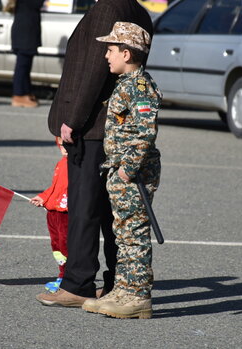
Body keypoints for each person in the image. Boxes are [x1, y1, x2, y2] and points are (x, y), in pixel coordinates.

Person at [38, 0, 153, 308]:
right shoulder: (130, 5)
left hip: (93, 127)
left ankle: (78, 284)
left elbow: (93, 71)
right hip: (104, 126)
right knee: (106, 211)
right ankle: (118, 284)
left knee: (86, 207)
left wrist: (72, 120)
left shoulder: (112, 9)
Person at [80, 21, 160, 319]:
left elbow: (144, 130)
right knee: (123, 232)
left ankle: (138, 296)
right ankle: (124, 289)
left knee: (135, 233)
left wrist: (128, 167)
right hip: (120, 170)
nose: (106, 55)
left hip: (134, 173)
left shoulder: (141, 87)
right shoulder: (125, 84)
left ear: (127, 54)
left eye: (111, 49)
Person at [29, 137, 69, 293]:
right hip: (53, 212)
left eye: (67, 145)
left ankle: (68, 278)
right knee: (57, 245)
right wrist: (44, 197)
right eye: (61, 145)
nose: (64, 148)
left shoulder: (75, 165)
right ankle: (61, 275)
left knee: (67, 245)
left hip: (66, 212)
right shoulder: (61, 163)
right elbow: (55, 187)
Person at [9, 0, 47, 108]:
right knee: (22, 65)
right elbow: (37, 3)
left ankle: (25, 92)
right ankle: (18, 95)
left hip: (23, 31)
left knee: (24, 64)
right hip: (26, 32)